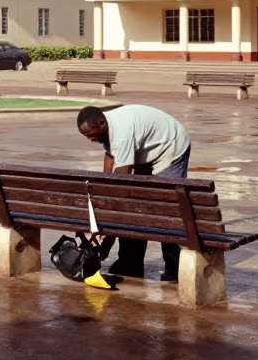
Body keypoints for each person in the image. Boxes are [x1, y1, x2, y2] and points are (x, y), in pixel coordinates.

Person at [77, 104, 191, 283]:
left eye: (91, 134)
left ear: (101, 123)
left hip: (170, 146)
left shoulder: (121, 132)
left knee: (167, 209)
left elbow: (122, 179)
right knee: (133, 205)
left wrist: (106, 225)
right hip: (145, 151)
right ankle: (130, 262)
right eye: (85, 136)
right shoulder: (104, 127)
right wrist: (105, 193)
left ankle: (174, 268)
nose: (90, 138)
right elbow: (110, 157)